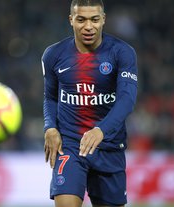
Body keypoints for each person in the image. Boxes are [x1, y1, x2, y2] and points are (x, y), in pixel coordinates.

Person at [41, 0, 138, 206]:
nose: (88, 26)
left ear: (103, 19)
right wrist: (50, 128)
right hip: (70, 147)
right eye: (81, 19)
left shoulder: (122, 53)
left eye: (94, 19)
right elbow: (50, 97)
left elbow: (126, 99)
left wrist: (100, 130)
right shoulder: (53, 55)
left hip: (109, 146)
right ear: (71, 20)